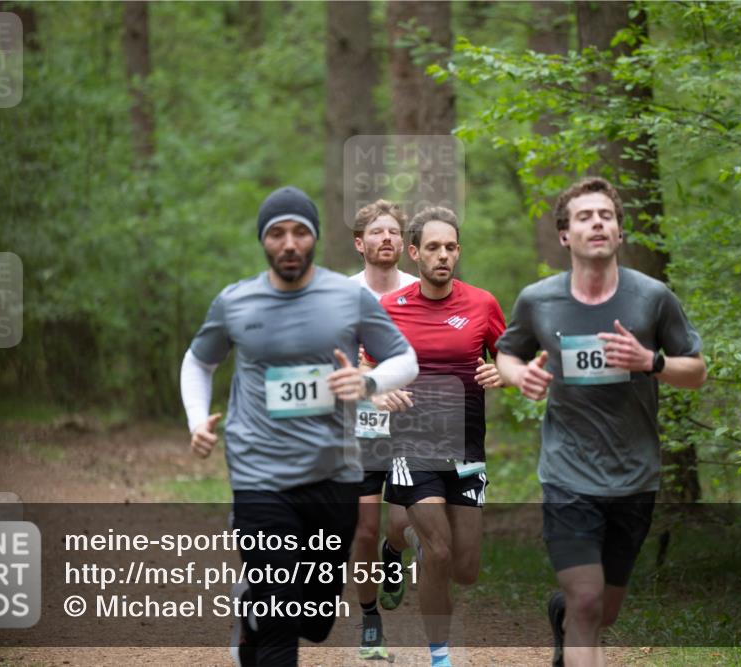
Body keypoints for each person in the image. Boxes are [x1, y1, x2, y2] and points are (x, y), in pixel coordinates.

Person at [179, 186, 418, 667]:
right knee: (280, 620)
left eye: (300, 232)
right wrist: (196, 419)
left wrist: (368, 380)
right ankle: (261, 616)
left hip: (333, 473)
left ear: (314, 238)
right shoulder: (236, 302)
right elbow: (198, 362)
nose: (289, 243)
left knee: (314, 619)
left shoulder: (347, 298)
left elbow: (405, 358)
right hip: (259, 476)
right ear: (264, 241)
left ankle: (251, 612)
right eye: (277, 233)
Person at [495, 177, 706, 667]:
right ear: (565, 235)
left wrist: (650, 362)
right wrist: (518, 375)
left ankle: (563, 616)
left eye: (606, 216)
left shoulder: (653, 298)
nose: (597, 222)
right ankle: (575, 614)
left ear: (619, 232)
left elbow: (695, 372)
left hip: (633, 474)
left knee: (602, 610)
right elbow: (507, 354)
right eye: (585, 216)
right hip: (568, 474)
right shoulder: (538, 301)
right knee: (588, 602)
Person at [376, 206, 507, 667]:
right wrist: (376, 392)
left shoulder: (482, 304)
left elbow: (512, 356)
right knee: (440, 550)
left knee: (465, 569)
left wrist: (502, 372)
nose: (443, 255)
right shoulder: (390, 308)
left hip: (467, 449)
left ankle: (404, 538)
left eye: (450, 247)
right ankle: (440, 656)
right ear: (414, 253)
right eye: (433, 247)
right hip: (410, 446)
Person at [347, 199, 419, 660]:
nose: (387, 238)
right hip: (360, 425)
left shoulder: (422, 289)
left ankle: (395, 557)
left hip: (414, 425)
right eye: (377, 232)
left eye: (394, 231)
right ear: (360, 243)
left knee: (402, 522)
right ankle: (370, 620)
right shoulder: (340, 294)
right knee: (365, 531)